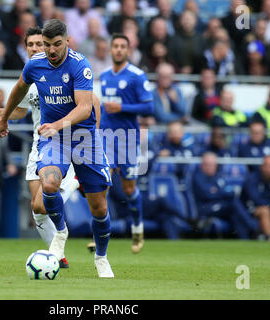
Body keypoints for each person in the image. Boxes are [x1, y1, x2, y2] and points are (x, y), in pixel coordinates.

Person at [0, 20, 114, 278]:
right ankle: (60, 231)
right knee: (48, 185)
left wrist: (57, 125)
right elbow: (18, 90)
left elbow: (84, 108)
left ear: (66, 41)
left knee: (100, 209)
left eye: (56, 44)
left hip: (84, 138)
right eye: (47, 45)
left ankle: (101, 258)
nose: (51, 50)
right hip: (54, 138)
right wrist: (2, 118)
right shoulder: (35, 64)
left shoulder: (80, 65)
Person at [99, 33, 154, 254]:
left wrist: (122, 108)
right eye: (116, 46)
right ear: (110, 50)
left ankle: (137, 229)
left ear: (128, 51)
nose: (119, 50)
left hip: (128, 139)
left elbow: (149, 108)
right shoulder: (103, 76)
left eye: (123, 46)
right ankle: (101, 233)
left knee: (129, 188)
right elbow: (104, 108)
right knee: (102, 186)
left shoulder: (137, 76)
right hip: (106, 138)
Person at [192, 152, 258, 239]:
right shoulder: (198, 178)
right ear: (202, 165)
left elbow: (230, 192)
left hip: (220, 206)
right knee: (233, 204)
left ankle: (245, 239)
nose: (209, 167)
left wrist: (217, 192)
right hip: (205, 208)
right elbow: (208, 195)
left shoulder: (218, 176)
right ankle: (254, 228)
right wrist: (220, 193)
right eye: (207, 164)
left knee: (235, 215)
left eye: (212, 165)